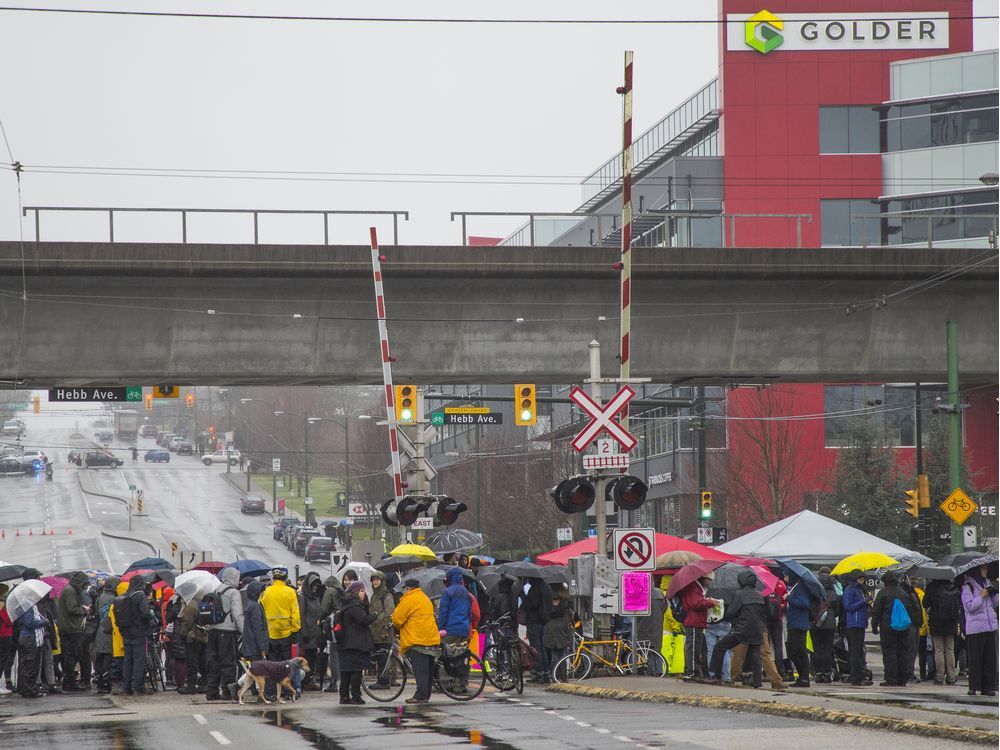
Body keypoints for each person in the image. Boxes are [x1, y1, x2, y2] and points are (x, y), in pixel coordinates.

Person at [708, 569, 764, 688]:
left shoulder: (739, 594)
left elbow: (732, 612)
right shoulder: (759, 594)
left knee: (720, 647)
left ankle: (715, 675)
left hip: (742, 629)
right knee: (755, 654)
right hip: (758, 629)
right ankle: (757, 682)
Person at [392, 578, 441, 704]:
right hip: (431, 637)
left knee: (420, 670)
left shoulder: (408, 599)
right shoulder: (425, 598)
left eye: (405, 589)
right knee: (428, 671)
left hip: (417, 639)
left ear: (408, 589)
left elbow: (397, 619)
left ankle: (419, 696)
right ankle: (425, 695)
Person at [870, 571, 921, 687]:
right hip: (904, 627)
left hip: (887, 626)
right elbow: (910, 608)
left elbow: (876, 611)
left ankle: (891, 678)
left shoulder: (883, 593)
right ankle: (902, 678)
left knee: (889, 652)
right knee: (902, 651)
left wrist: (874, 625)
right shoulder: (903, 593)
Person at [205, 567, 244, 701]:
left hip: (212, 631)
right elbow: (237, 614)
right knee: (228, 662)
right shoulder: (234, 593)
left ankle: (212, 691)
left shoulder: (215, 590)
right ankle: (228, 691)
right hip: (227, 631)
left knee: (213, 662)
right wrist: (243, 631)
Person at [228, 580, 269, 701]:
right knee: (257, 670)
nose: (263, 594)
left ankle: (237, 687)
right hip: (254, 645)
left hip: (250, 644)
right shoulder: (256, 607)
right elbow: (258, 629)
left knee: (254, 670)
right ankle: (238, 686)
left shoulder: (251, 605)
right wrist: (262, 648)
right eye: (261, 592)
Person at [960, 565, 998, 697]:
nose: (986, 571)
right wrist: (981, 596)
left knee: (989, 659)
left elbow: (995, 604)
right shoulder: (968, 587)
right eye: (983, 568)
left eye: (987, 568)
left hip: (990, 626)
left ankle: (988, 686)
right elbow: (970, 607)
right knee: (976, 660)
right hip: (975, 629)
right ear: (976, 570)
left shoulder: (987, 583)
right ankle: (974, 686)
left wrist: (994, 592)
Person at [116, 576, 156, 696]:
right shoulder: (140, 595)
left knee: (128, 661)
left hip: (126, 633)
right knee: (139, 660)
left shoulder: (125, 595)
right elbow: (145, 613)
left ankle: (126, 687)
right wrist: (151, 614)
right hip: (138, 632)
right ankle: (138, 687)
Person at [336, 581, 374, 705]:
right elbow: (363, 620)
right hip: (355, 642)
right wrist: (374, 615)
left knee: (346, 671)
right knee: (356, 670)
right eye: (362, 591)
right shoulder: (355, 605)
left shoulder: (345, 603)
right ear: (356, 592)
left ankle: (344, 696)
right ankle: (356, 696)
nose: (364, 593)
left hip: (344, 642)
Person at [437, 567, 474, 693]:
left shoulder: (448, 592)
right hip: (464, 629)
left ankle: (446, 681)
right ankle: (461, 684)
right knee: (462, 657)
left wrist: (440, 628)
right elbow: (470, 613)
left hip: (450, 629)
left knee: (445, 655)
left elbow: (443, 612)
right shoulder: (466, 593)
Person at [55, 571, 91, 692]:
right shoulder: (70, 591)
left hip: (69, 628)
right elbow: (72, 609)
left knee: (72, 654)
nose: (85, 588)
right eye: (84, 585)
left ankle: (69, 681)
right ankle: (69, 682)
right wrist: (84, 609)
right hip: (72, 629)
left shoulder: (69, 590)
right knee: (73, 655)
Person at [680, 575, 719, 680]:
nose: (709, 582)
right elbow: (696, 603)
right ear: (703, 578)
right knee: (692, 648)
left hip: (697, 621)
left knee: (696, 648)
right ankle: (692, 672)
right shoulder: (693, 587)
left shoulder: (696, 587)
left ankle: (695, 671)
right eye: (709, 580)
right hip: (693, 621)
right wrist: (710, 602)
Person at [924, 577, 961, 685]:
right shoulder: (954, 587)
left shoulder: (931, 587)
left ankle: (940, 676)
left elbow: (925, 604)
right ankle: (951, 677)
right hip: (951, 623)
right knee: (950, 650)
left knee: (939, 650)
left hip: (937, 622)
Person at [842, 570, 872, 685]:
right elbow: (848, 606)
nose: (863, 580)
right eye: (860, 578)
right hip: (854, 623)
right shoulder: (850, 590)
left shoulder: (860, 590)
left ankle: (859, 674)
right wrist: (864, 601)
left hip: (860, 622)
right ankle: (857, 676)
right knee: (855, 650)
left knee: (859, 650)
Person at [367, 571, 396, 689]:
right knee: (379, 657)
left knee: (384, 658)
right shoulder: (374, 596)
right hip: (375, 631)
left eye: (378, 580)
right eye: (373, 580)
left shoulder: (386, 595)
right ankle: (381, 679)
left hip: (384, 632)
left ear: (382, 581)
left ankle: (384, 681)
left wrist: (379, 621)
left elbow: (389, 613)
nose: (375, 582)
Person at [296, 573, 325, 691]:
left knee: (312, 658)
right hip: (307, 632)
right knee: (306, 659)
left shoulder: (316, 597)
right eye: (313, 585)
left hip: (315, 631)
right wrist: (304, 632)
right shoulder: (303, 597)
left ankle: (309, 680)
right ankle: (305, 681)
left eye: (317, 586)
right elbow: (301, 615)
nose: (315, 587)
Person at [784, 573, 814, 688]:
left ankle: (804, 678)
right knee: (796, 651)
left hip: (799, 624)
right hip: (794, 623)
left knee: (797, 651)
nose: (785, 577)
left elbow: (804, 603)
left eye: (786, 575)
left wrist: (789, 598)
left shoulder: (800, 586)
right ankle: (802, 678)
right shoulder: (796, 586)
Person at [811, 570, 840, 684]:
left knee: (817, 649)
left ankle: (818, 673)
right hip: (830, 624)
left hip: (816, 623)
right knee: (828, 649)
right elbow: (838, 610)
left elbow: (811, 608)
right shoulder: (833, 594)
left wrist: (814, 618)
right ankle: (827, 673)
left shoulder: (815, 593)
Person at [521, 576, 552, 682]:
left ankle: (539, 673)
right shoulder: (546, 587)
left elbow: (532, 604)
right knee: (542, 648)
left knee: (536, 648)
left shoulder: (535, 588)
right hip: (543, 621)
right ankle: (546, 673)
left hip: (534, 621)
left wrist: (523, 596)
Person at [93, 576, 120, 694]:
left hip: (100, 631)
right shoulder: (114, 599)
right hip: (109, 631)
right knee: (108, 658)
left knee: (100, 657)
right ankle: (105, 681)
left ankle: (100, 680)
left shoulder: (100, 597)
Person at [177, 593, 208, 694]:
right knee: (203, 662)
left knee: (192, 663)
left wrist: (183, 633)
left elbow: (187, 623)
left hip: (193, 637)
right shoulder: (205, 602)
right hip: (204, 637)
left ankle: (191, 686)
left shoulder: (191, 605)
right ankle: (204, 684)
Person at [17, 603, 48, 698]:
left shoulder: (25, 605)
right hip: (30, 638)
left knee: (26, 664)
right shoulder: (27, 606)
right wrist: (43, 622)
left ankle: (25, 688)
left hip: (27, 638)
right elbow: (29, 622)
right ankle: (30, 689)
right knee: (31, 664)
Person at [320, 574, 345, 693]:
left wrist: (320, 619)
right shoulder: (341, 590)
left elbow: (324, 608)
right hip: (341, 624)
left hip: (333, 623)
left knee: (333, 653)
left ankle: (334, 682)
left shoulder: (329, 591)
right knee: (340, 653)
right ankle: (343, 681)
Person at [544, 584, 574, 677]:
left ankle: (553, 675)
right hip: (563, 625)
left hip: (550, 626)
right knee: (563, 655)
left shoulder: (547, 597)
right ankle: (563, 676)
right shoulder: (565, 597)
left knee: (554, 655)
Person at [0, 585, 14, 695]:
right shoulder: (2, 604)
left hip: (4, 634)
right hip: (4, 635)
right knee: (3, 659)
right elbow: (8, 621)